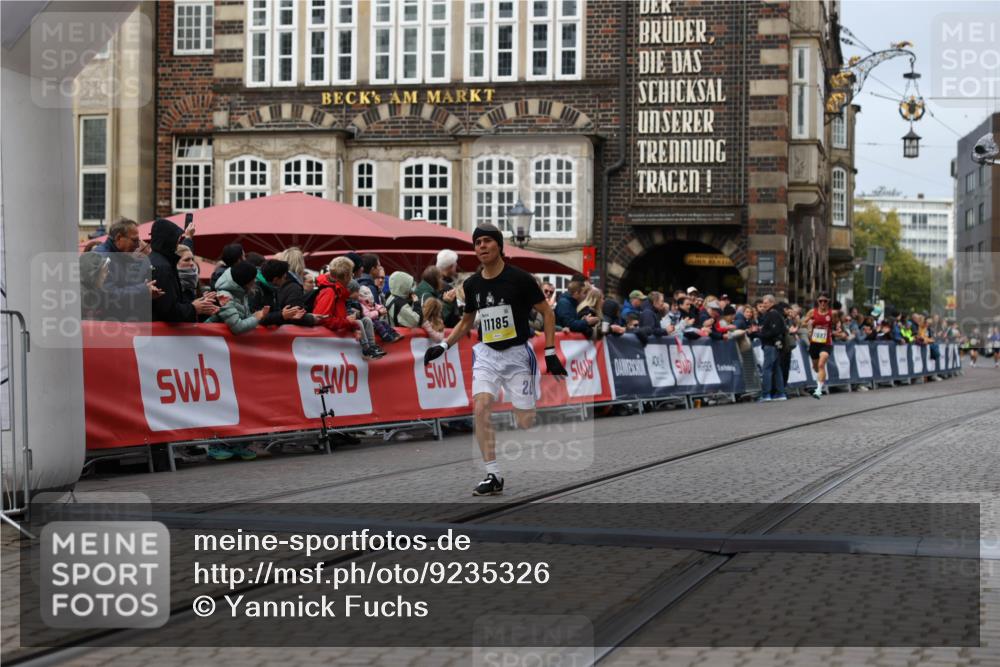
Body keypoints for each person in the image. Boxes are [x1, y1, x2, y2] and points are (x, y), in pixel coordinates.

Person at [423, 223, 567, 496]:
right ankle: (493, 474)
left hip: (517, 355)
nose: (482, 247)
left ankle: (523, 407)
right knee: (480, 408)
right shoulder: (472, 284)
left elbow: (548, 314)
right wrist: (443, 345)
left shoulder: (522, 279)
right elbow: (466, 322)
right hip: (487, 354)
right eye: (477, 243)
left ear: (499, 245)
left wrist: (550, 352)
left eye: (488, 241)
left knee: (525, 420)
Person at [149, 219, 218, 323]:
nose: (192, 264)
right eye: (176, 239)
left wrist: (200, 303)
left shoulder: (156, 260)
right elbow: (169, 311)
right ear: (169, 240)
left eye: (192, 260)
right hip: (165, 335)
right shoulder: (163, 267)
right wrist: (193, 308)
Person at [93, 217, 162, 320]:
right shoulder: (103, 257)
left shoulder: (119, 256)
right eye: (134, 240)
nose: (138, 245)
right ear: (119, 237)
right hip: (110, 326)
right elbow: (110, 295)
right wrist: (144, 290)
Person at [207, 261, 270, 335]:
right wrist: (256, 318)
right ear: (246, 282)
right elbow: (237, 327)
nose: (255, 281)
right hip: (213, 340)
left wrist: (257, 315)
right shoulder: (225, 296)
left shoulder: (240, 292)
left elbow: (243, 318)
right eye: (253, 279)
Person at [802, 293, 834, 399]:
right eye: (821, 301)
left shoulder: (831, 313)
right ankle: (820, 376)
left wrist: (838, 328)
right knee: (816, 368)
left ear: (828, 302)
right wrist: (809, 323)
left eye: (825, 301)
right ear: (818, 302)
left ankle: (819, 390)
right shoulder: (813, 312)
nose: (823, 303)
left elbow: (838, 322)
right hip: (815, 343)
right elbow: (802, 323)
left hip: (826, 343)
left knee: (821, 365)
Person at [756, 294, 787, 401]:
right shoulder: (776, 313)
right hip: (776, 345)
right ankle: (780, 393)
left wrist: (760, 333)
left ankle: (766, 394)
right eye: (763, 303)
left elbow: (774, 331)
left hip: (770, 345)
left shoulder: (772, 314)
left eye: (765, 303)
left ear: (772, 303)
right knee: (777, 369)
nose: (763, 305)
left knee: (767, 369)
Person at [79, 252, 110, 320]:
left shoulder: (93, 289)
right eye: (105, 270)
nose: (108, 273)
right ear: (93, 273)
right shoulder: (80, 295)